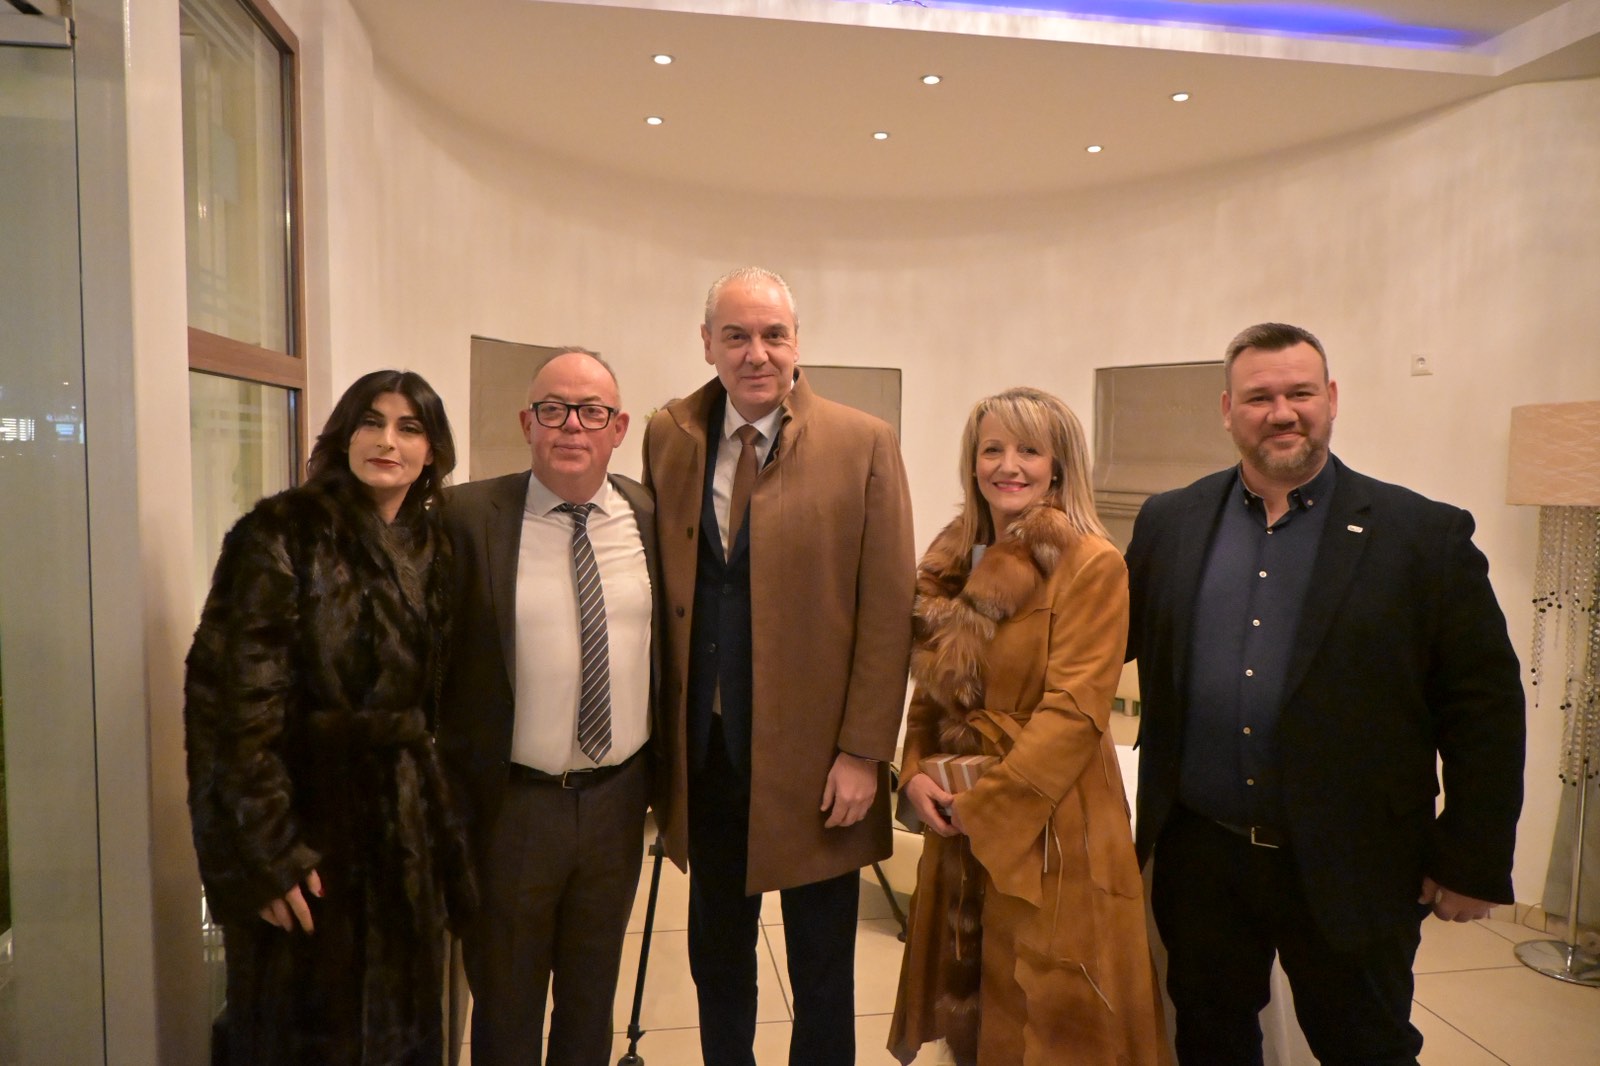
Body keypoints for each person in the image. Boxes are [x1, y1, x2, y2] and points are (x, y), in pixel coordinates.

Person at [1125, 322, 1526, 1064]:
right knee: (1209, 1038)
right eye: (1259, 397)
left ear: (1331, 399)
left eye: (1300, 393)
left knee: (1365, 1045)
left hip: (1357, 861)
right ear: (1227, 410)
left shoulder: (1422, 536)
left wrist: (1473, 857)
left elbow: (1484, 708)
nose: (1282, 412)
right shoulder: (1169, 521)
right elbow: (1096, 642)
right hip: (1203, 855)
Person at [641, 266, 916, 1065]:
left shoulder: (863, 443)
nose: (755, 353)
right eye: (736, 336)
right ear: (707, 344)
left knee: (822, 968)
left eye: (773, 335)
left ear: (799, 343)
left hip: (820, 763)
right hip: (710, 752)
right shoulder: (670, 436)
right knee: (718, 956)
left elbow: (887, 609)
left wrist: (864, 751)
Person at [184, 369, 473, 1065]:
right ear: (345, 435)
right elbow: (231, 709)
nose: (387, 441)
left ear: (431, 452)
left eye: (409, 428)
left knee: (405, 1034)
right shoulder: (283, 532)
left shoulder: (435, 546)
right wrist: (265, 854)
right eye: (371, 422)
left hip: (404, 837)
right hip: (311, 832)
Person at [888, 387, 1166, 1066]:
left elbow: (1075, 712)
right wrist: (915, 770)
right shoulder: (951, 558)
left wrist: (989, 807)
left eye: (1029, 450)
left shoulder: (1092, 562)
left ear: (1058, 464)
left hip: (1054, 816)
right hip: (958, 808)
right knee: (972, 1004)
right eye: (992, 449)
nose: (1007, 465)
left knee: (1050, 1015)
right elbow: (933, 690)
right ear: (972, 461)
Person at [436, 348, 658, 1066]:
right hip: (511, 809)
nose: (572, 426)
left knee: (590, 1004)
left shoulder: (651, 517)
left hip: (618, 804)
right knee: (505, 1007)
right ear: (526, 423)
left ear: (618, 428)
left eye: (592, 412)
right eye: (553, 409)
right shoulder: (468, 517)